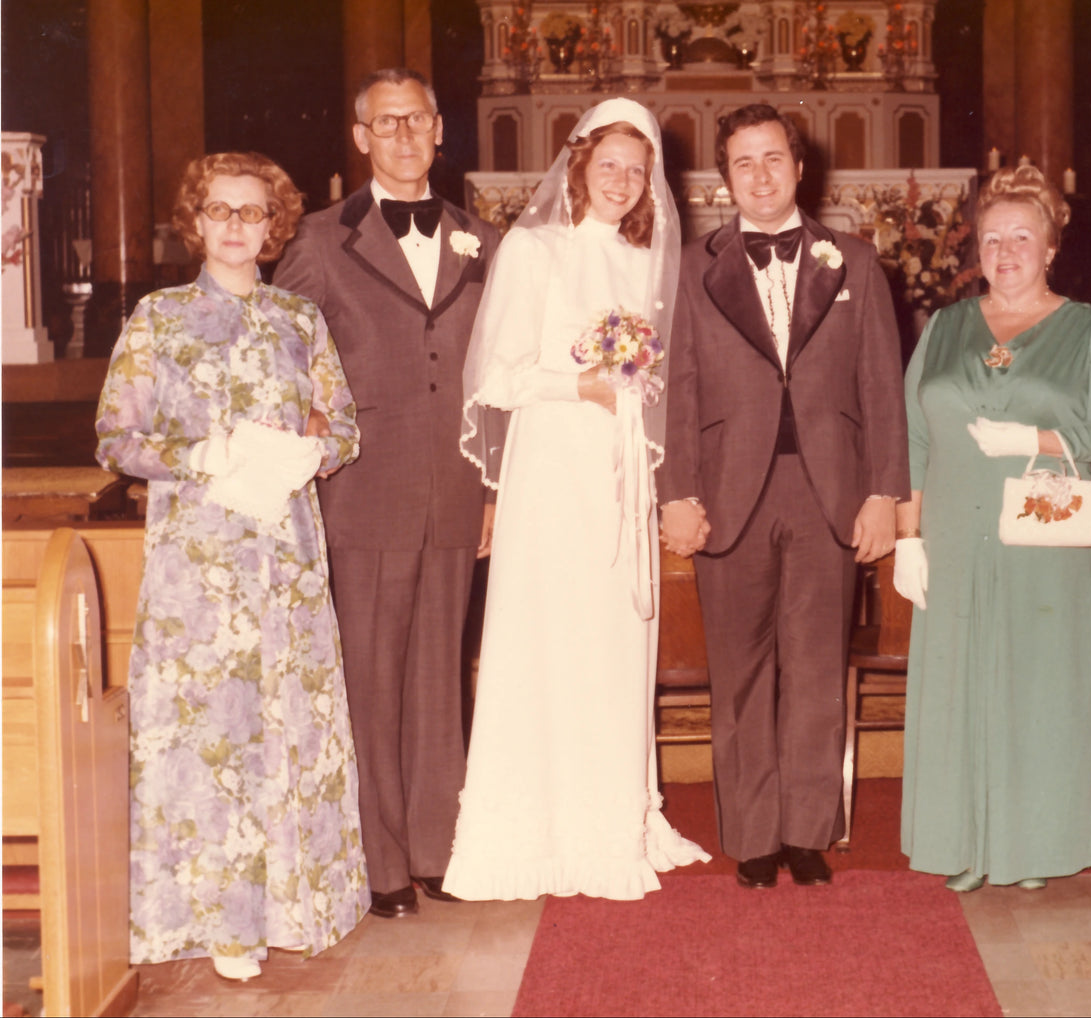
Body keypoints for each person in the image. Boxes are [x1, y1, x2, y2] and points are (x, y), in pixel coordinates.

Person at [96, 152, 367, 980]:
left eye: (254, 213)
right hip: (199, 562)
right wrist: (199, 450)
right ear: (197, 221)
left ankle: (293, 906)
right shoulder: (159, 318)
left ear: (275, 226)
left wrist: (315, 449)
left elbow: (347, 427)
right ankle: (220, 923)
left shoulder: (298, 320)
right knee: (212, 733)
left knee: (281, 724)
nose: (237, 227)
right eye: (221, 211)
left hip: (284, 559)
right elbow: (116, 439)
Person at [442, 97, 709, 900]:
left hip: (622, 470)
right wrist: (581, 384)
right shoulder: (535, 250)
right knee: (546, 634)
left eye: (638, 170)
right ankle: (532, 831)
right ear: (579, 165)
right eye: (610, 166)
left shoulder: (653, 262)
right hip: (553, 464)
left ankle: (609, 823)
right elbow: (495, 374)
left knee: (611, 633)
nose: (623, 182)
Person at [658, 103, 910, 889]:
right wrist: (677, 494)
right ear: (722, 178)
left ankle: (806, 829)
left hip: (827, 491)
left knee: (813, 664)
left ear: (800, 170)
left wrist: (883, 494)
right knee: (738, 672)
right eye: (743, 162)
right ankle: (753, 836)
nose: (760, 175)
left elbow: (881, 386)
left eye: (773, 158)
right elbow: (677, 388)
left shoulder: (855, 262)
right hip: (729, 495)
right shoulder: (692, 269)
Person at [273, 68, 500, 919]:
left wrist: (493, 490)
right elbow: (281, 362)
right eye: (386, 122)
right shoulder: (322, 241)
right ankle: (380, 864)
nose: (404, 135)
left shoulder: (484, 239)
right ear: (361, 137)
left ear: (440, 130)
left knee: (441, 671)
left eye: (418, 120)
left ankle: (439, 848)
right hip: (361, 488)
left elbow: (495, 376)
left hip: (455, 485)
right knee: (371, 676)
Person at [890, 165, 1091, 892]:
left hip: (1041, 531)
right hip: (954, 535)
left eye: (1022, 236)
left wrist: (1037, 439)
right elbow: (911, 437)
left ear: (1051, 246)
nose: (1005, 251)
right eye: (991, 238)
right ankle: (960, 842)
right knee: (958, 682)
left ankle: (1034, 848)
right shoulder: (944, 327)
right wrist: (907, 537)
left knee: (1037, 685)